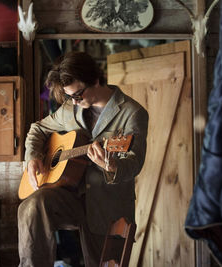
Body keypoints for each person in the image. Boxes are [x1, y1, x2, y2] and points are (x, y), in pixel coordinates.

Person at [18, 51, 149, 267]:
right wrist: (32, 157)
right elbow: (38, 129)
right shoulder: (71, 108)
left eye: (78, 95)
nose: (75, 101)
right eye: (70, 97)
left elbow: (135, 163)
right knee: (31, 206)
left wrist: (112, 165)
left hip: (107, 205)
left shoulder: (132, 113)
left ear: (95, 79)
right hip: (70, 197)